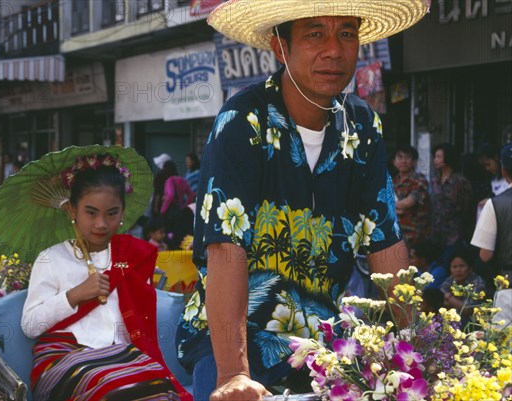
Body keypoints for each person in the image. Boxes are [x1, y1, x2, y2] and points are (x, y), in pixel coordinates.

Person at [175, 2, 429, 400]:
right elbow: (225, 249)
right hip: (231, 342)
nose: (334, 50)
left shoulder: (362, 125)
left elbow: (386, 244)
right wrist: (232, 374)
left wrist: (417, 348)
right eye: (315, 34)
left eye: (346, 33)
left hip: (324, 345)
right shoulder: (244, 120)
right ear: (280, 48)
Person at [21, 152, 191, 401]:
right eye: (91, 213)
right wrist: (75, 295)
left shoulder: (132, 255)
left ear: (123, 213)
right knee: (110, 389)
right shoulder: (51, 257)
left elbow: (137, 322)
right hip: (62, 356)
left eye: (112, 213)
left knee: (159, 386)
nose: (101, 223)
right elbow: (30, 325)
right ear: (71, 209)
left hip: (122, 356)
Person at [471, 142, 512, 327]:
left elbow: (485, 255)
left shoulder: (495, 204)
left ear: (504, 171)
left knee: (505, 352)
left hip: (508, 288)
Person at [430, 143, 473, 249]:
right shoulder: (435, 181)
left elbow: (466, 209)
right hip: (436, 235)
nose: (435, 160)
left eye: (439, 157)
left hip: (454, 235)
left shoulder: (460, 182)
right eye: (435, 157)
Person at [392, 144, 430, 247]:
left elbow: (407, 203)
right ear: (394, 162)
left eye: (408, 157)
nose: (404, 160)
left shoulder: (420, 181)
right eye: (400, 157)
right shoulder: (391, 183)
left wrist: (391, 207)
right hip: (394, 238)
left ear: (414, 162)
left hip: (415, 238)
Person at [440, 246, 486, 324]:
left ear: (470, 268)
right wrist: (457, 303)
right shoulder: (451, 279)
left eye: (462, 266)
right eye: (454, 267)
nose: (458, 270)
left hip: (473, 322)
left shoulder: (477, 282)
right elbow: (441, 296)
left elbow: (467, 309)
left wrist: (449, 297)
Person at [160, 174, 195, 250]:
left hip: (171, 214)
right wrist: (185, 206)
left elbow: (170, 195)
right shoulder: (183, 180)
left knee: (172, 236)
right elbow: (191, 195)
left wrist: (163, 209)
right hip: (180, 212)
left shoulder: (169, 181)